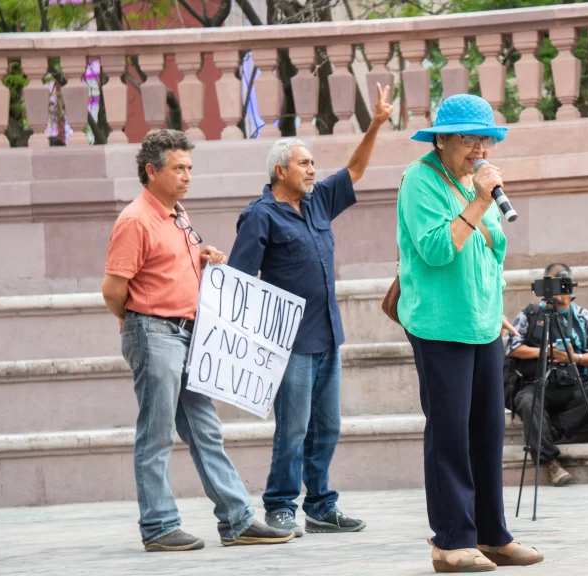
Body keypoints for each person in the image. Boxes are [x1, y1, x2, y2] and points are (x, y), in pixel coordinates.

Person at [102, 130, 293, 551]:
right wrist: (130, 321)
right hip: (154, 332)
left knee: (206, 430)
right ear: (151, 171)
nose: (187, 176)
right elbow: (113, 289)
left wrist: (205, 258)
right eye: (178, 169)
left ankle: (238, 520)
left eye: (189, 168)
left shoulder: (177, 213)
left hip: (189, 335)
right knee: (156, 434)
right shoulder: (135, 220)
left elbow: (166, 268)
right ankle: (158, 526)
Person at [227, 84, 392, 537]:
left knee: (327, 426)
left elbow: (354, 169)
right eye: (304, 164)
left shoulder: (317, 200)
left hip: (327, 335)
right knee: (294, 428)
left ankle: (320, 505)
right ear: (280, 171)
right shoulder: (260, 215)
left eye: (313, 163)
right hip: (290, 344)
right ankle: (280, 504)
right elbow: (240, 281)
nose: (313, 170)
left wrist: (376, 123)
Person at [397, 93, 543, 573]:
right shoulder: (420, 180)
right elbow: (438, 250)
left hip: (481, 323)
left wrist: (493, 306)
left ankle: (491, 534)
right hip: (440, 325)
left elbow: (492, 251)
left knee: (487, 431)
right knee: (450, 433)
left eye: (486, 140)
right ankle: (451, 540)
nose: (480, 150)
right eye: (469, 139)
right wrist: (480, 201)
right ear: (441, 140)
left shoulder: (474, 181)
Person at [505, 263, 588, 487]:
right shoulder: (530, 314)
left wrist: (575, 358)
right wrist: (545, 352)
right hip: (536, 383)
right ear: (544, 288)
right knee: (527, 401)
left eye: (564, 287)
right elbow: (513, 348)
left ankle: (553, 429)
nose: (560, 295)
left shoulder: (584, 317)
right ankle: (549, 463)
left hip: (573, 384)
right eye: (554, 287)